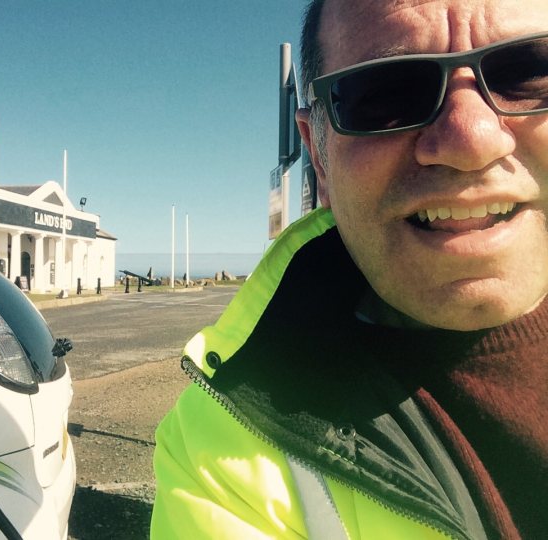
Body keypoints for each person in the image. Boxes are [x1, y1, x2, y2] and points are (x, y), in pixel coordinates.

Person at [151, 0, 548, 538]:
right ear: (320, 158)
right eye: (384, 95)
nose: (470, 140)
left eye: (529, 72)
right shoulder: (222, 445)